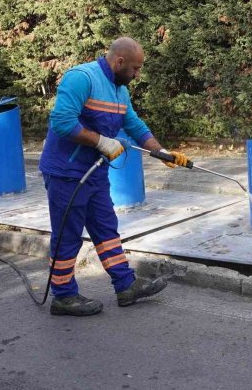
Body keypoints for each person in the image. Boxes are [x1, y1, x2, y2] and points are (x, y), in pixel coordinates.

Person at [39, 37, 190, 316]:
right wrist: (100, 142)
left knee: (106, 229)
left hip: (94, 172)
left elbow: (133, 124)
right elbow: (61, 122)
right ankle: (63, 296)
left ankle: (125, 286)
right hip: (67, 173)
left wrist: (161, 151)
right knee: (68, 235)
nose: (137, 74)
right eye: (134, 68)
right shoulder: (81, 78)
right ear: (119, 62)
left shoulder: (120, 91)